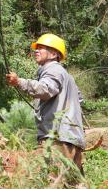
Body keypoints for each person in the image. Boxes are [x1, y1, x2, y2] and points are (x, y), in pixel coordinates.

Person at [6, 33, 86, 173]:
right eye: (36, 48)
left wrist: (19, 82)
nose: (36, 50)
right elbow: (79, 100)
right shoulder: (67, 76)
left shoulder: (53, 69)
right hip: (72, 139)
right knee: (74, 184)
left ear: (54, 54)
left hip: (57, 139)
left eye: (42, 48)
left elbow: (45, 89)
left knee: (50, 181)